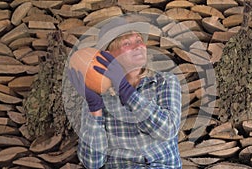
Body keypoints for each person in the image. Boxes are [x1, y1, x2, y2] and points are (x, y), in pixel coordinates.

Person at [67, 14, 182, 169]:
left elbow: (168, 130)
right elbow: (92, 163)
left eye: (139, 41)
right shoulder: (97, 95)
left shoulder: (165, 81)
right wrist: (94, 109)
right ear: (107, 56)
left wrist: (125, 90)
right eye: (127, 43)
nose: (138, 47)